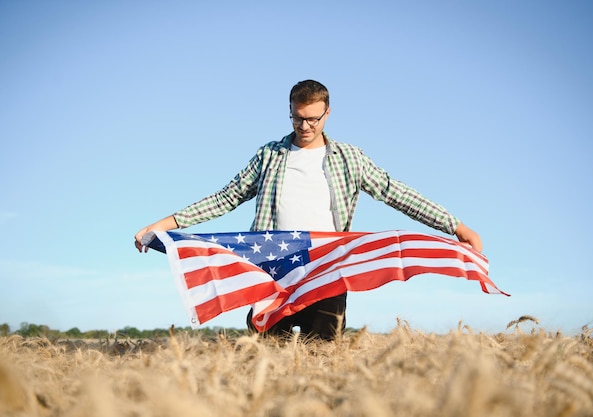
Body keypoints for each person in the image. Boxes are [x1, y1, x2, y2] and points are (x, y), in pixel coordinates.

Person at [134, 79, 482, 341]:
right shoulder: (269, 155)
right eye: (298, 118)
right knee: (267, 356)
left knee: (324, 357)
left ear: (328, 113)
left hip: (327, 268)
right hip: (273, 270)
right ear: (290, 112)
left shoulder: (350, 158)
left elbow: (396, 193)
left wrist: (455, 226)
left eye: (313, 119)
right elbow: (226, 197)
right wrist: (162, 224)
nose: (305, 127)